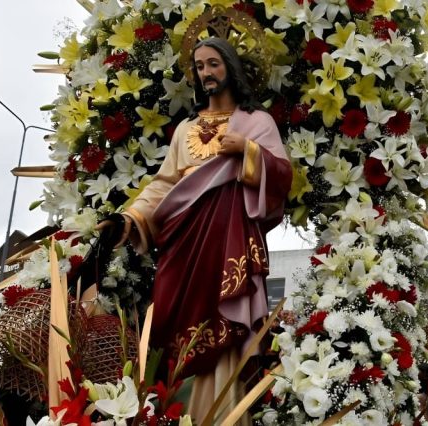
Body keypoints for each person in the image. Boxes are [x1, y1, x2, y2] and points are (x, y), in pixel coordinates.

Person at [104, 37, 292, 422]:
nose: (206, 72)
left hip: (228, 242)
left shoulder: (256, 122)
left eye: (213, 64)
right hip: (183, 245)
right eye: (200, 66)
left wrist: (248, 151)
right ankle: (177, 413)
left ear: (230, 68)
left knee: (226, 322)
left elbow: (283, 176)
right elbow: (164, 184)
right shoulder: (185, 129)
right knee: (172, 326)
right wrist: (131, 217)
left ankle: (225, 415)